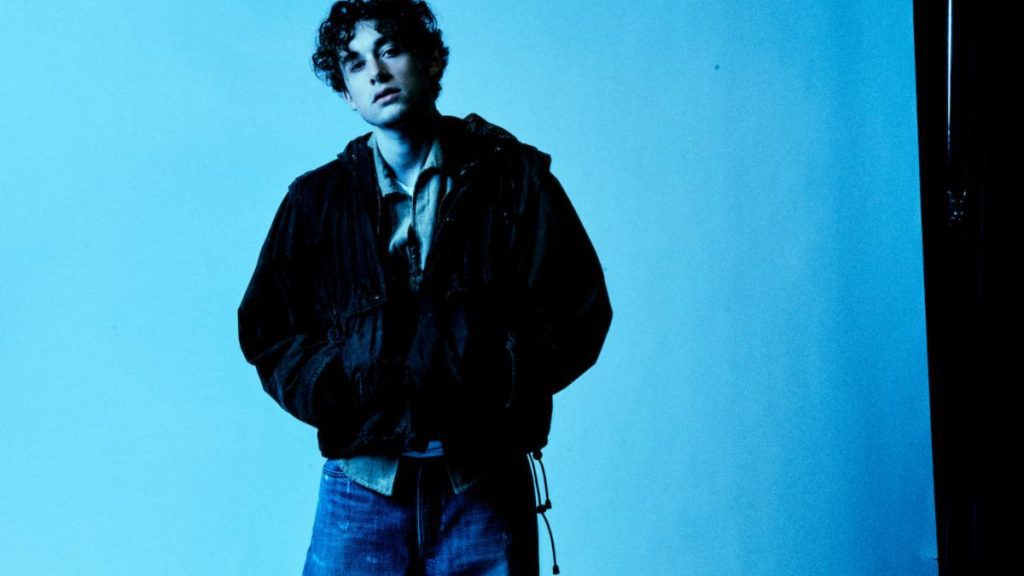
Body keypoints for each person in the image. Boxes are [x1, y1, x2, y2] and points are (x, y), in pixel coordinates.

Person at [236, 1, 612, 574]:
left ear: (432, 60)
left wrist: (497, 377)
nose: (376, 73)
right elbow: (267, 329)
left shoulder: (511, 179)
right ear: (347, 93)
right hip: (361, 487)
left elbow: (577, 307)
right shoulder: (316, 200)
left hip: (483, 483)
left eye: (390, 50)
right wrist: (337, 387)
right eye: (356, 64)